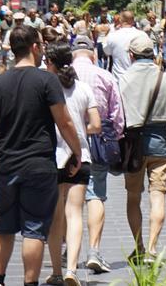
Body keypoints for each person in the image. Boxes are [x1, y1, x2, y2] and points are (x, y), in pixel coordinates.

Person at [0, 26, 82, 286]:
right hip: (39, 163)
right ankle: (30, 283)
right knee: (34, 228)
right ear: (35, 47)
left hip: (7, 163)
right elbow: (64, 122)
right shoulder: (46, 80)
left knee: (5, 225)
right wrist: (77, 150)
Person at [120, 35, 166, 262]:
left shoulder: (123, 79)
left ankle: (138, 245)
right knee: (158, 196)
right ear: (153, 54)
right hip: (161, 146)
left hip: (133, 148)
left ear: (131, 55)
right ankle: (152, 248)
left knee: (133, 197)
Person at [43, 42, 101, 286]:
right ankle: (72, 270)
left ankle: (56, 271)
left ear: (52, 64)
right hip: (81, 156)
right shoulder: (84, 89)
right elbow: (96, 125)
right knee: (75, 213)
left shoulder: (45, 89)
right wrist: (78, 133)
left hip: (51, 157)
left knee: (55, 218)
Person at [69, 35, 123, 274]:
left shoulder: (62, 75)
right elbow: (117, 114)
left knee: (66, 195)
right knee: (95, 194)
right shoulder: (105, 75)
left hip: (66, 140)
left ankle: (67, 251)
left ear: (72, 54)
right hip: (97, 139)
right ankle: (94, 250)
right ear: (93, 54)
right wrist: (117, 138)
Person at [101, 10, 149, 81]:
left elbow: (107, 52)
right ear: (133, 20)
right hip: (138, 78)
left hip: (119, 79)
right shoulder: (142, 35)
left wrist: (105, 37)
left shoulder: (113, 36)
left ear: (120, 20)